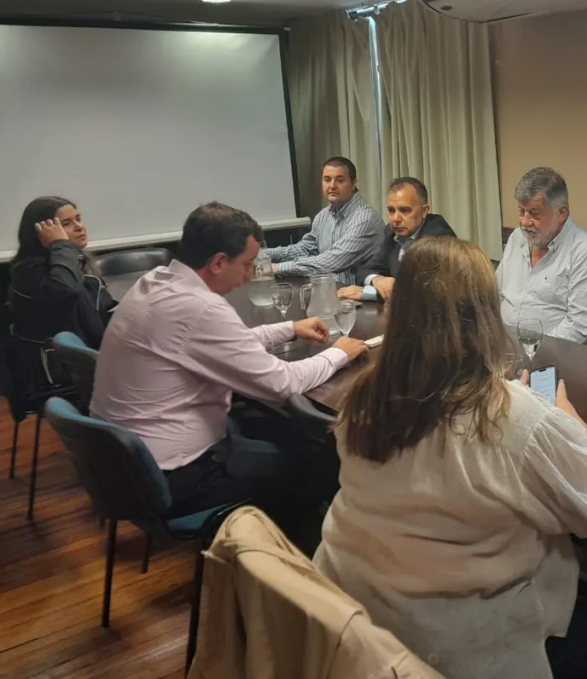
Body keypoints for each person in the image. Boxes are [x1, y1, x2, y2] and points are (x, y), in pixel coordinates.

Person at [315, 236, 587, 679]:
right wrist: (575, 428)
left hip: (360, 619)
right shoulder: (511, 416)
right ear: (486, 316)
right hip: (455, 649)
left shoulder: (364, 397)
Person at [91, 202, 368, 521]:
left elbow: (217, 344)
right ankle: (284, 544)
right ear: (219, 262)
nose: (250, 275)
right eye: (247, 264)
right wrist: (338, 353)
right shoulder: (200, 308)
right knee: (318, 461)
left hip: (130, 463)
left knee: (284, 430)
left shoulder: (157, 282)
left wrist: (288, 329)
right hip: (177, 475)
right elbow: (283, 383)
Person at [8, 196, 116, 394]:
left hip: (90, 362)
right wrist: (60, 244)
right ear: (41, 234)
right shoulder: (28, 271)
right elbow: (65, 290)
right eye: (66, 223)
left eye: (78, 219)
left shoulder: (76, 261)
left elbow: (101, 310)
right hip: (56, 376)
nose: (79, 227)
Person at [497, 167, 587, 346]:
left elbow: (582, 328)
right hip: (505, 348)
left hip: (557, 354)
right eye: (521, 211)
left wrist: (532, 349)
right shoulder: (517, 238)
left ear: (561, 213)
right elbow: (497, 294)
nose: (525, 222)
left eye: (534, 213)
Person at [336, 177, 456, 302]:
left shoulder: (438, 236)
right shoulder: (391, 232)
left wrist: (367, 293)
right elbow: (365, 269)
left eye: (405, 210)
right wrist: (378, 280)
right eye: (391, 210)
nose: (395, 219)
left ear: (424, 211)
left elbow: (425, 292)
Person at [268, 156, 386, 283]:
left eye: (340, 180)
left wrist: (276, 268)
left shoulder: (365, 220)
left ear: (353, 184)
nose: (332, 186)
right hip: (332, 291)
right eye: (327, 180)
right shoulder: (323, 216)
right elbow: (305, 250)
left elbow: (331, 262)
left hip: (361, 294)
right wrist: (265, 255)